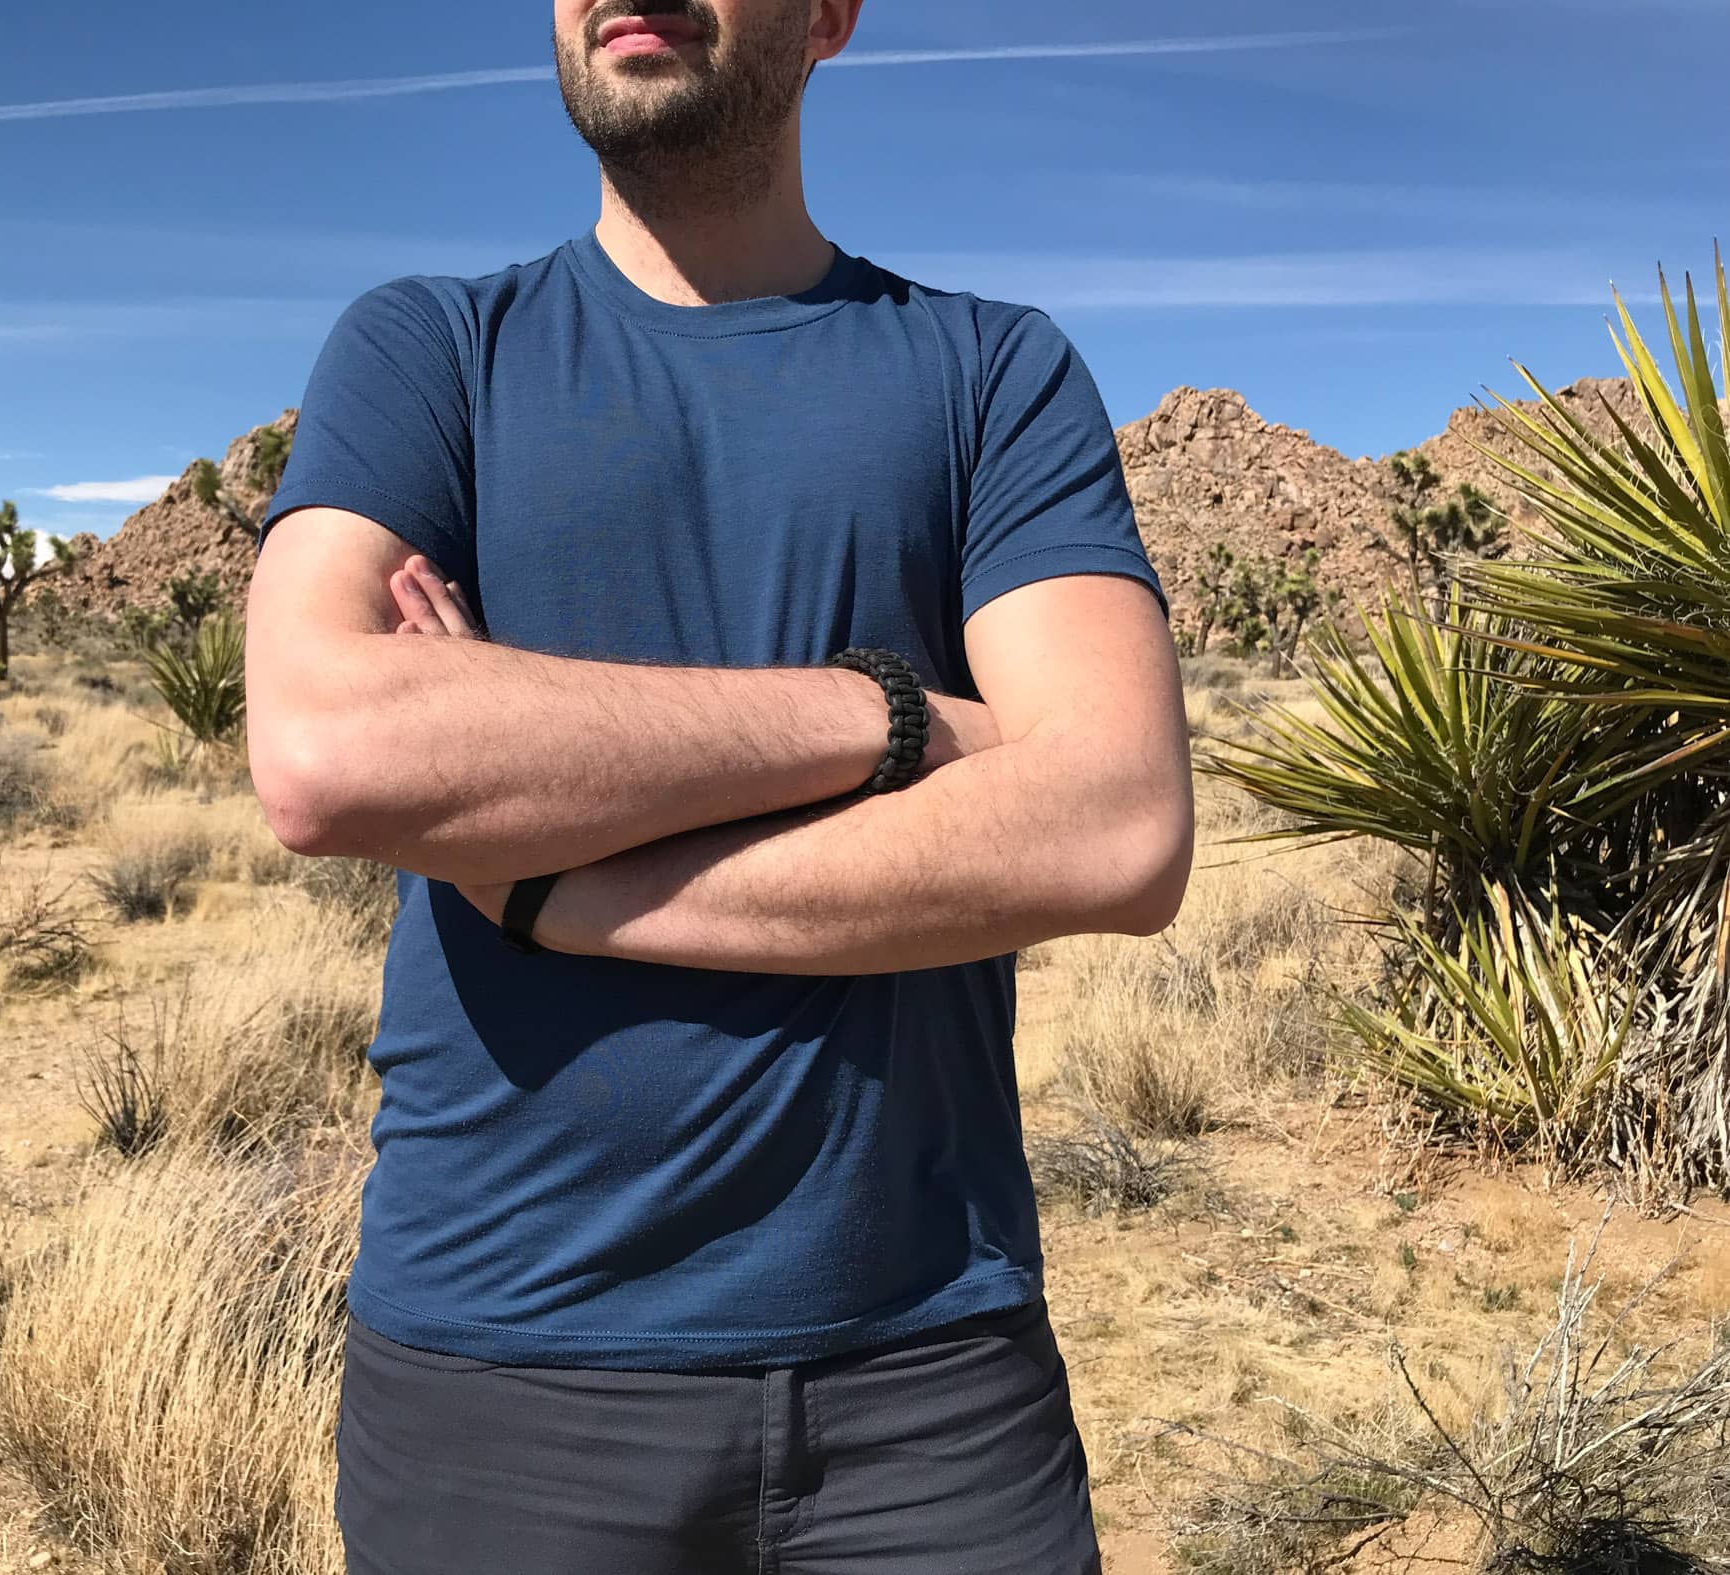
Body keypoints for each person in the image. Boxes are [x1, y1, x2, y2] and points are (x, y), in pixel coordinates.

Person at [245, 2, 1194, 1569]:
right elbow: (331, 755)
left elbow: (1119, 826)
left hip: (930, 1383)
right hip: (500, 1383)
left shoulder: (991, 370)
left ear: (831, 17)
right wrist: (888, 718)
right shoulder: (430, 351)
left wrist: (568, 887)